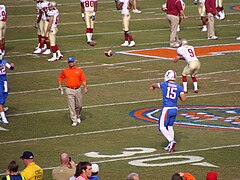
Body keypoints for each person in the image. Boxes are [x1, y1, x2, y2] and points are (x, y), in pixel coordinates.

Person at [149, 70, 186, 153]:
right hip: (175, 109)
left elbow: (155, 84)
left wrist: (152, 86)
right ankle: (170, 145)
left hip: (167, 108)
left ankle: (171, 141)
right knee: (170, 126)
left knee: (162, 127)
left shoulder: (164, 84)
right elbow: (183, 99)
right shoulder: (179, 87)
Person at [58, 56, 88, 127]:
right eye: (69, 62)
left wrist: (85, 87)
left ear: (74, 62)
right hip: (69, 89)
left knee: (79, 105)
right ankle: (74, 120)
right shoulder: (65, 71)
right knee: (71, 106)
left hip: (78, 89)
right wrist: (60, 85)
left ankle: (78, 116)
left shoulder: (79, 70)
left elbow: (83, 79)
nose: (71, 63)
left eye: (72, 62)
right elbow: (60, 77)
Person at [0, 50, 14, 125]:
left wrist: (12, 66)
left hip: (4, 81)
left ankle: (1, 110)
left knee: (5, 95)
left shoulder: (4, 61)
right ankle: (3, 117)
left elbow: (10, 68)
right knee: (0, 100)